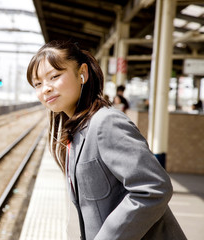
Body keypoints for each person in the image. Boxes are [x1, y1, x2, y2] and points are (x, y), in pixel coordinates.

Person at [26, 40, 186, 240]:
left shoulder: (105, 123)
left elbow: (152, 188)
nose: (46, 88)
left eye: (55, 76)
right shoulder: (77, 131)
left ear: (82, 73)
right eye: (38, 83)